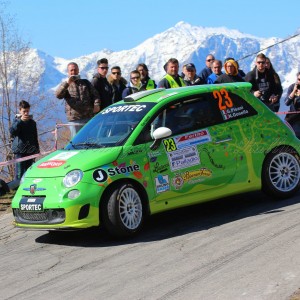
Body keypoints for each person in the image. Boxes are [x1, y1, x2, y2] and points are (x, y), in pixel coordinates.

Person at [55, 62, 101, 138]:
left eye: (75, 70)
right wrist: (67, 83)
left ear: (78, 70)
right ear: (68, 72)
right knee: (76, 141)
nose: (73, 72)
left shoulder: (85, 82)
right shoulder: (65, 85)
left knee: (90, 140)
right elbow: (58, 95)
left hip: (88, 116)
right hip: (74, 119)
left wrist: (96, 104)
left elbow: (96, 95)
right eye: (71, 70)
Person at [10, 100, 40, 180]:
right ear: (20, 111)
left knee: (29, 171)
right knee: (19, 173)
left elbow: (35, 136)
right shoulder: (16, 121)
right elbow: (12, 132)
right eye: (24, 111)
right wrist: (20, 121)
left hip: (30, 150)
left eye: (27, 111)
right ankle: (17, 188)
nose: (26, 113)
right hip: (20, 150)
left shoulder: (32, 123)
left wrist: (37, 150)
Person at [284, 72, 300, 138]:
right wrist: (293, 91)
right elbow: (286, 103)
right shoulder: (292, 87)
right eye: (299, 79)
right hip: (293, 115)